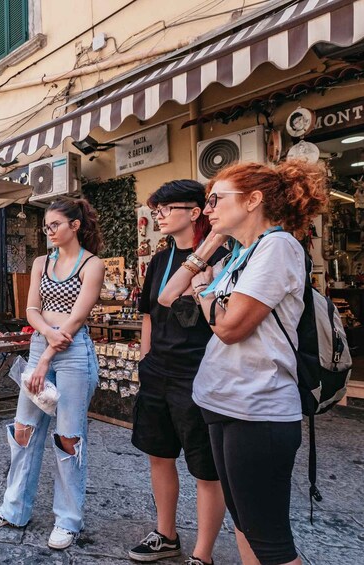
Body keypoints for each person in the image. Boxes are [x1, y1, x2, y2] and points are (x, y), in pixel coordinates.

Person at [159, 161, 328, 565]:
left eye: (217, 199)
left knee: (270, 540)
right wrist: (208, 246)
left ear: (253, 200)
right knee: (245, 524)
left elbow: (230, 326)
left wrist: (204, 292)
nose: (209, 207)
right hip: (223, 400)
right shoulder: (239, 254)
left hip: (259, 408)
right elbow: (169, 296)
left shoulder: (278, 246)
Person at [0, 198, 105, 550]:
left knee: (69, 436)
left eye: (54, 225)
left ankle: (68, 520)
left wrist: (47, 355)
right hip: (41, 345)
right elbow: (31, 309)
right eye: (46, 226)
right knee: (23, 430)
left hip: (72, 353)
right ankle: (14, 508)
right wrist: (46, 338)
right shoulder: (41, 262)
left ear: (74, 226)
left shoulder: (91, 265)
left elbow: (77, 319)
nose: (48, 231)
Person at [128, 181, 226, 565]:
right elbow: (150, 313)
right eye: (157, 211)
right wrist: (146, 361)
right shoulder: (160, 259)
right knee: (159, 454)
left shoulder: (221, 256)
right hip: (159, 371)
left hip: (200, 372)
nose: (160, 217)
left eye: (166, 209)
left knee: (206, 469)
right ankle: (166, 534)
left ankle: (203, 555)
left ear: (195, 212)